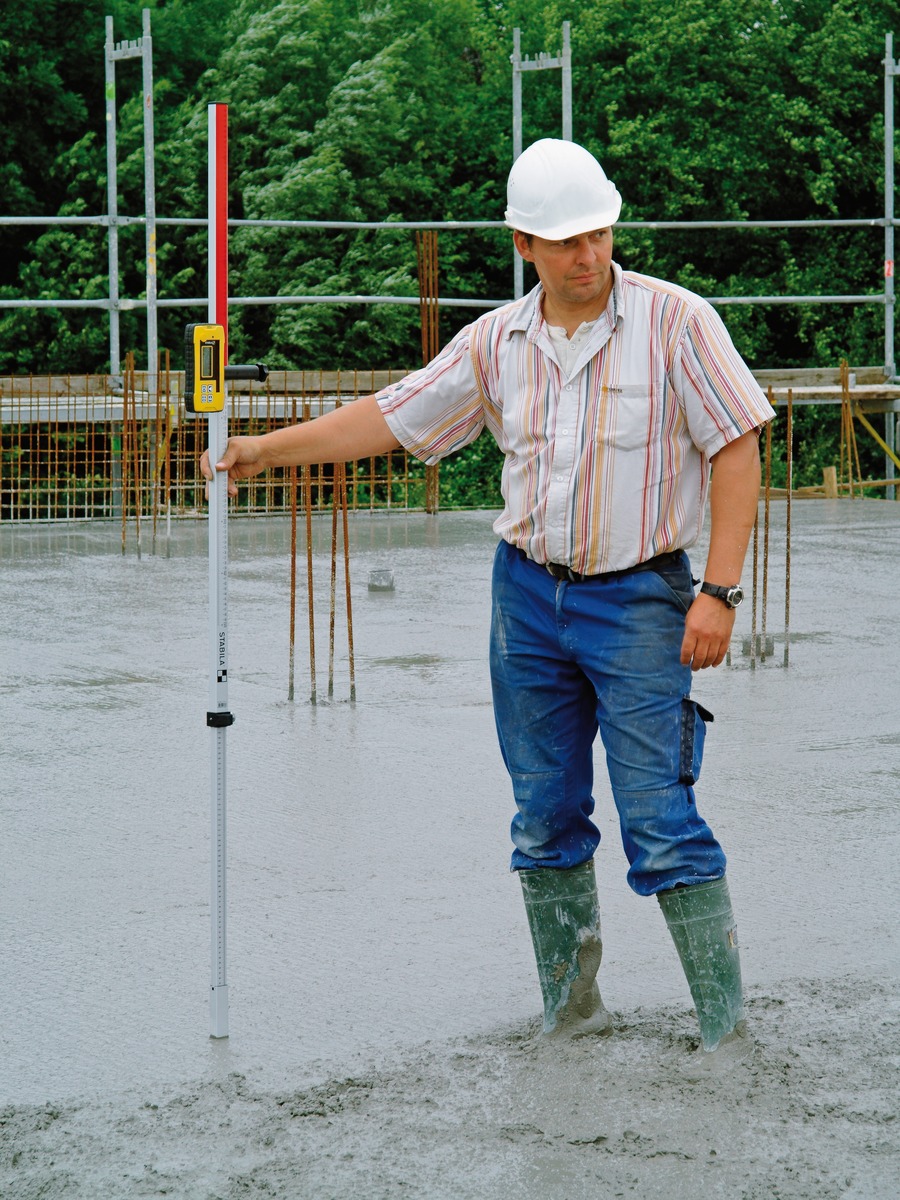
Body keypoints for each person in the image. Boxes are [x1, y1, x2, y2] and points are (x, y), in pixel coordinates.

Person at [201, 138, 775, 1055]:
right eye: (564, 241)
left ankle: (728, 1032)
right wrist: (263, 451)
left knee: (661, 821)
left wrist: (721, 592)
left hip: (641, 601)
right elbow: (393, 415)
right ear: (524, 246)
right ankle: (571, 1018)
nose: (587, 255)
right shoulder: (494, 344)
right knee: (544, 816)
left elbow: (739, 446)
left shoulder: (677, 323)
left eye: (597, 234)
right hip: (526, 603)